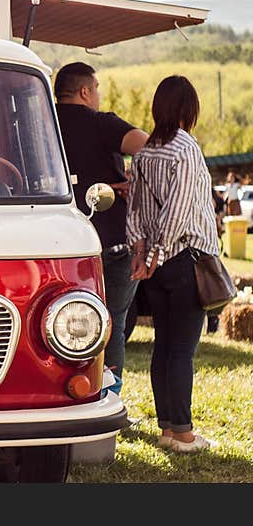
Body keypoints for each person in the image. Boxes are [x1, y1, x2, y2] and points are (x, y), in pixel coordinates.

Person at [127, 75, 219, 453]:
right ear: (188, 110)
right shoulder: (186, 148)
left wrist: (143, 253)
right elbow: (179, 212)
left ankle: (167, 428)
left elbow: (135, 210)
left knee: (164, 346)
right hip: (182, 259)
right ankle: (181, 433)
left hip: (157, 266)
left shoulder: (145, 151)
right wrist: (157, 253)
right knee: (181, 349)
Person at [54, 62, 149, 396]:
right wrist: (131, 181)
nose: (97, 95)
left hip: (58, 246)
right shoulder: (102, 123)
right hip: (110, 239)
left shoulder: (40, 121)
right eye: (96, 88)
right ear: (85, 91)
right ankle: (110, 396)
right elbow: (153, 149)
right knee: (113, 323)